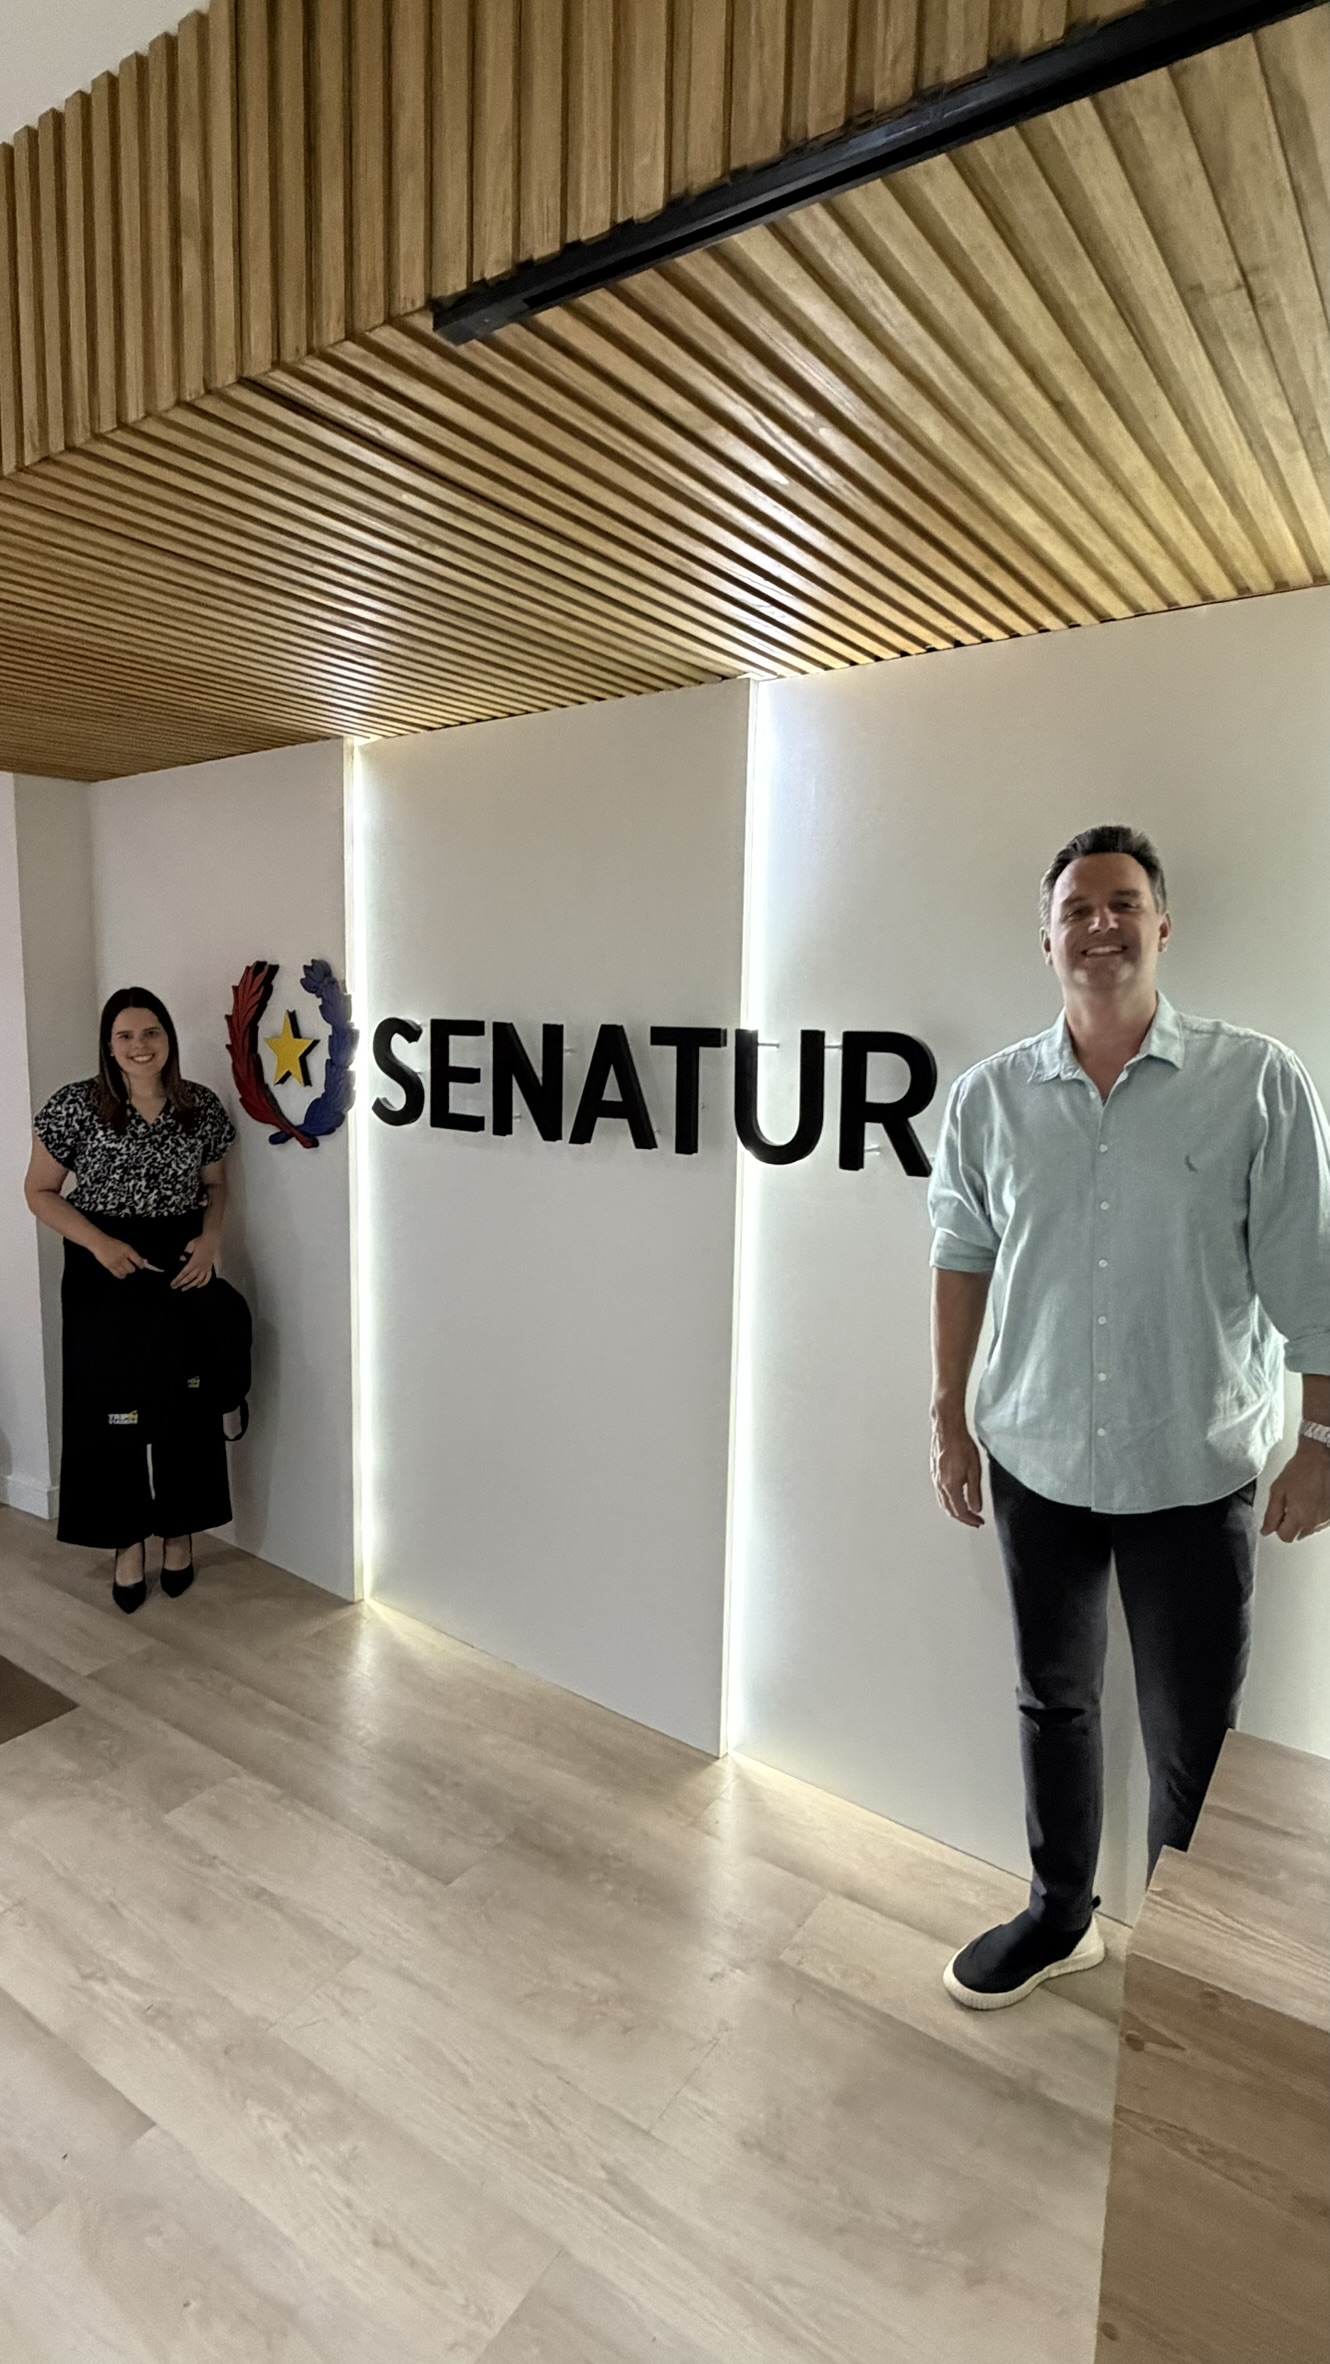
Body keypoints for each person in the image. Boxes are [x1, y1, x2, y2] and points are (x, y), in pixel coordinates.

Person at [928, 824, 1330, 2009]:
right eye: (1076, 908)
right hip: (1036, 1458)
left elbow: (1309, 1273)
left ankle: (1186, 1969)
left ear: (1161, 925)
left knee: (1191, 1737)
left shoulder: (1255, 1081)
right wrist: (948, 1412)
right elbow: (959, 1253)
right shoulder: (989, 1098)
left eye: (1121, 903)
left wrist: (1320, 1439)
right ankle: (1060, 1916)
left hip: (1190, 1467)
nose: (1098, 925)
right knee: (1051, 1702)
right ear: (1045, 936)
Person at [23, 988, 237, 1613]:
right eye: (126, 1036)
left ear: (168, 1038)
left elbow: (216, 1185)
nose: (140, 1046)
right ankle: (125, 1541)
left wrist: (212, 1240)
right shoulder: (75, 1106)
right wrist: (99, 1243)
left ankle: (180, 1532)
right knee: (108, 1410)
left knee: (185, 1404)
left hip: (181, 1264)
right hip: (103, 1265)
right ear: (109, 1044)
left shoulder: (199, 1105)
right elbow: (39, 1191)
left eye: (151, 1033)